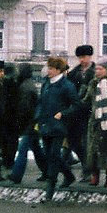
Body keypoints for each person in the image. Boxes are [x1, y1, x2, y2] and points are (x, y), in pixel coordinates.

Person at [36, 56, 83, 200]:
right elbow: (41, 103)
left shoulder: (67, 86)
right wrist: (37, 118)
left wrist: (63, 113)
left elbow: (76, 105)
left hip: (58, 126)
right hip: (45, 125)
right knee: (49, 154)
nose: (48, 70)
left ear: (58, 70)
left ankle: (50, 188)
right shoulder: (46, 84)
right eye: (48, 68)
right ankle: (69, 176)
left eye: (50, 68)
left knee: (54, 156)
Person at [6, 63, 44, 185]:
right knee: (36, 149)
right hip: (32, 121)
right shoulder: (28, 84)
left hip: (29, 123)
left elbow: (24, 107)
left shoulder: (25, 87)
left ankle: (16, 175)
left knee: (22, 149)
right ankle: (47, 171)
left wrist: (20, 122)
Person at [65, 44, 96, 180]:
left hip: (91, 113)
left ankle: (89, 171)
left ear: (90, 56)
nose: (82, 60)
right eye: (80, 57)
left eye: (84, 57)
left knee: (88, 143)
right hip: (76, 113)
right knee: (75, 142)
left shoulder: (96, 72)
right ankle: (86, 166)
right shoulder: (73, 73)